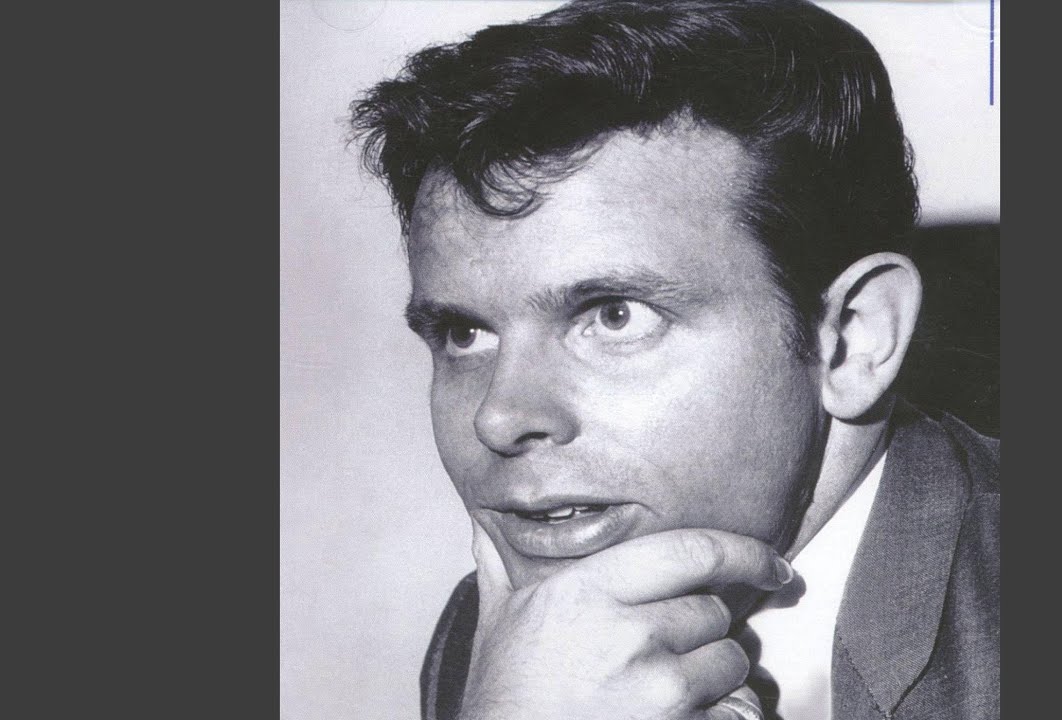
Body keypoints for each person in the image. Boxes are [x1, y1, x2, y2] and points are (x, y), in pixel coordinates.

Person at [350, 1, 999, 718]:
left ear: (852, 339)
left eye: (614, 316)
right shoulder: (520, 651)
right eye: (465, 334)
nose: (499, 418)